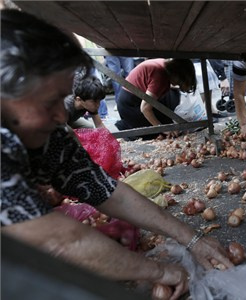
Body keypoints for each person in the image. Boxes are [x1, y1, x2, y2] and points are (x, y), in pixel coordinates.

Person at [1, 9, 232, 300]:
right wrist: (158, 272)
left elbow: (106, 190)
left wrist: (192, 237)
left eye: (62, 99)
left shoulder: (50, 135)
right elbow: (55, 241)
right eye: (49, 102)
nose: (62, 115)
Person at [114, 58, 197, 138]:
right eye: (179, 82)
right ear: (177, 75)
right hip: (130, 104)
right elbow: (145, 108)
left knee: (173, 95)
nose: (177, 84)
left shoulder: (165, 66)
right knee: (158, 132)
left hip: (136, 97)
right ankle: (127, 125)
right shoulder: (161, 76)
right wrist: (163, 129)